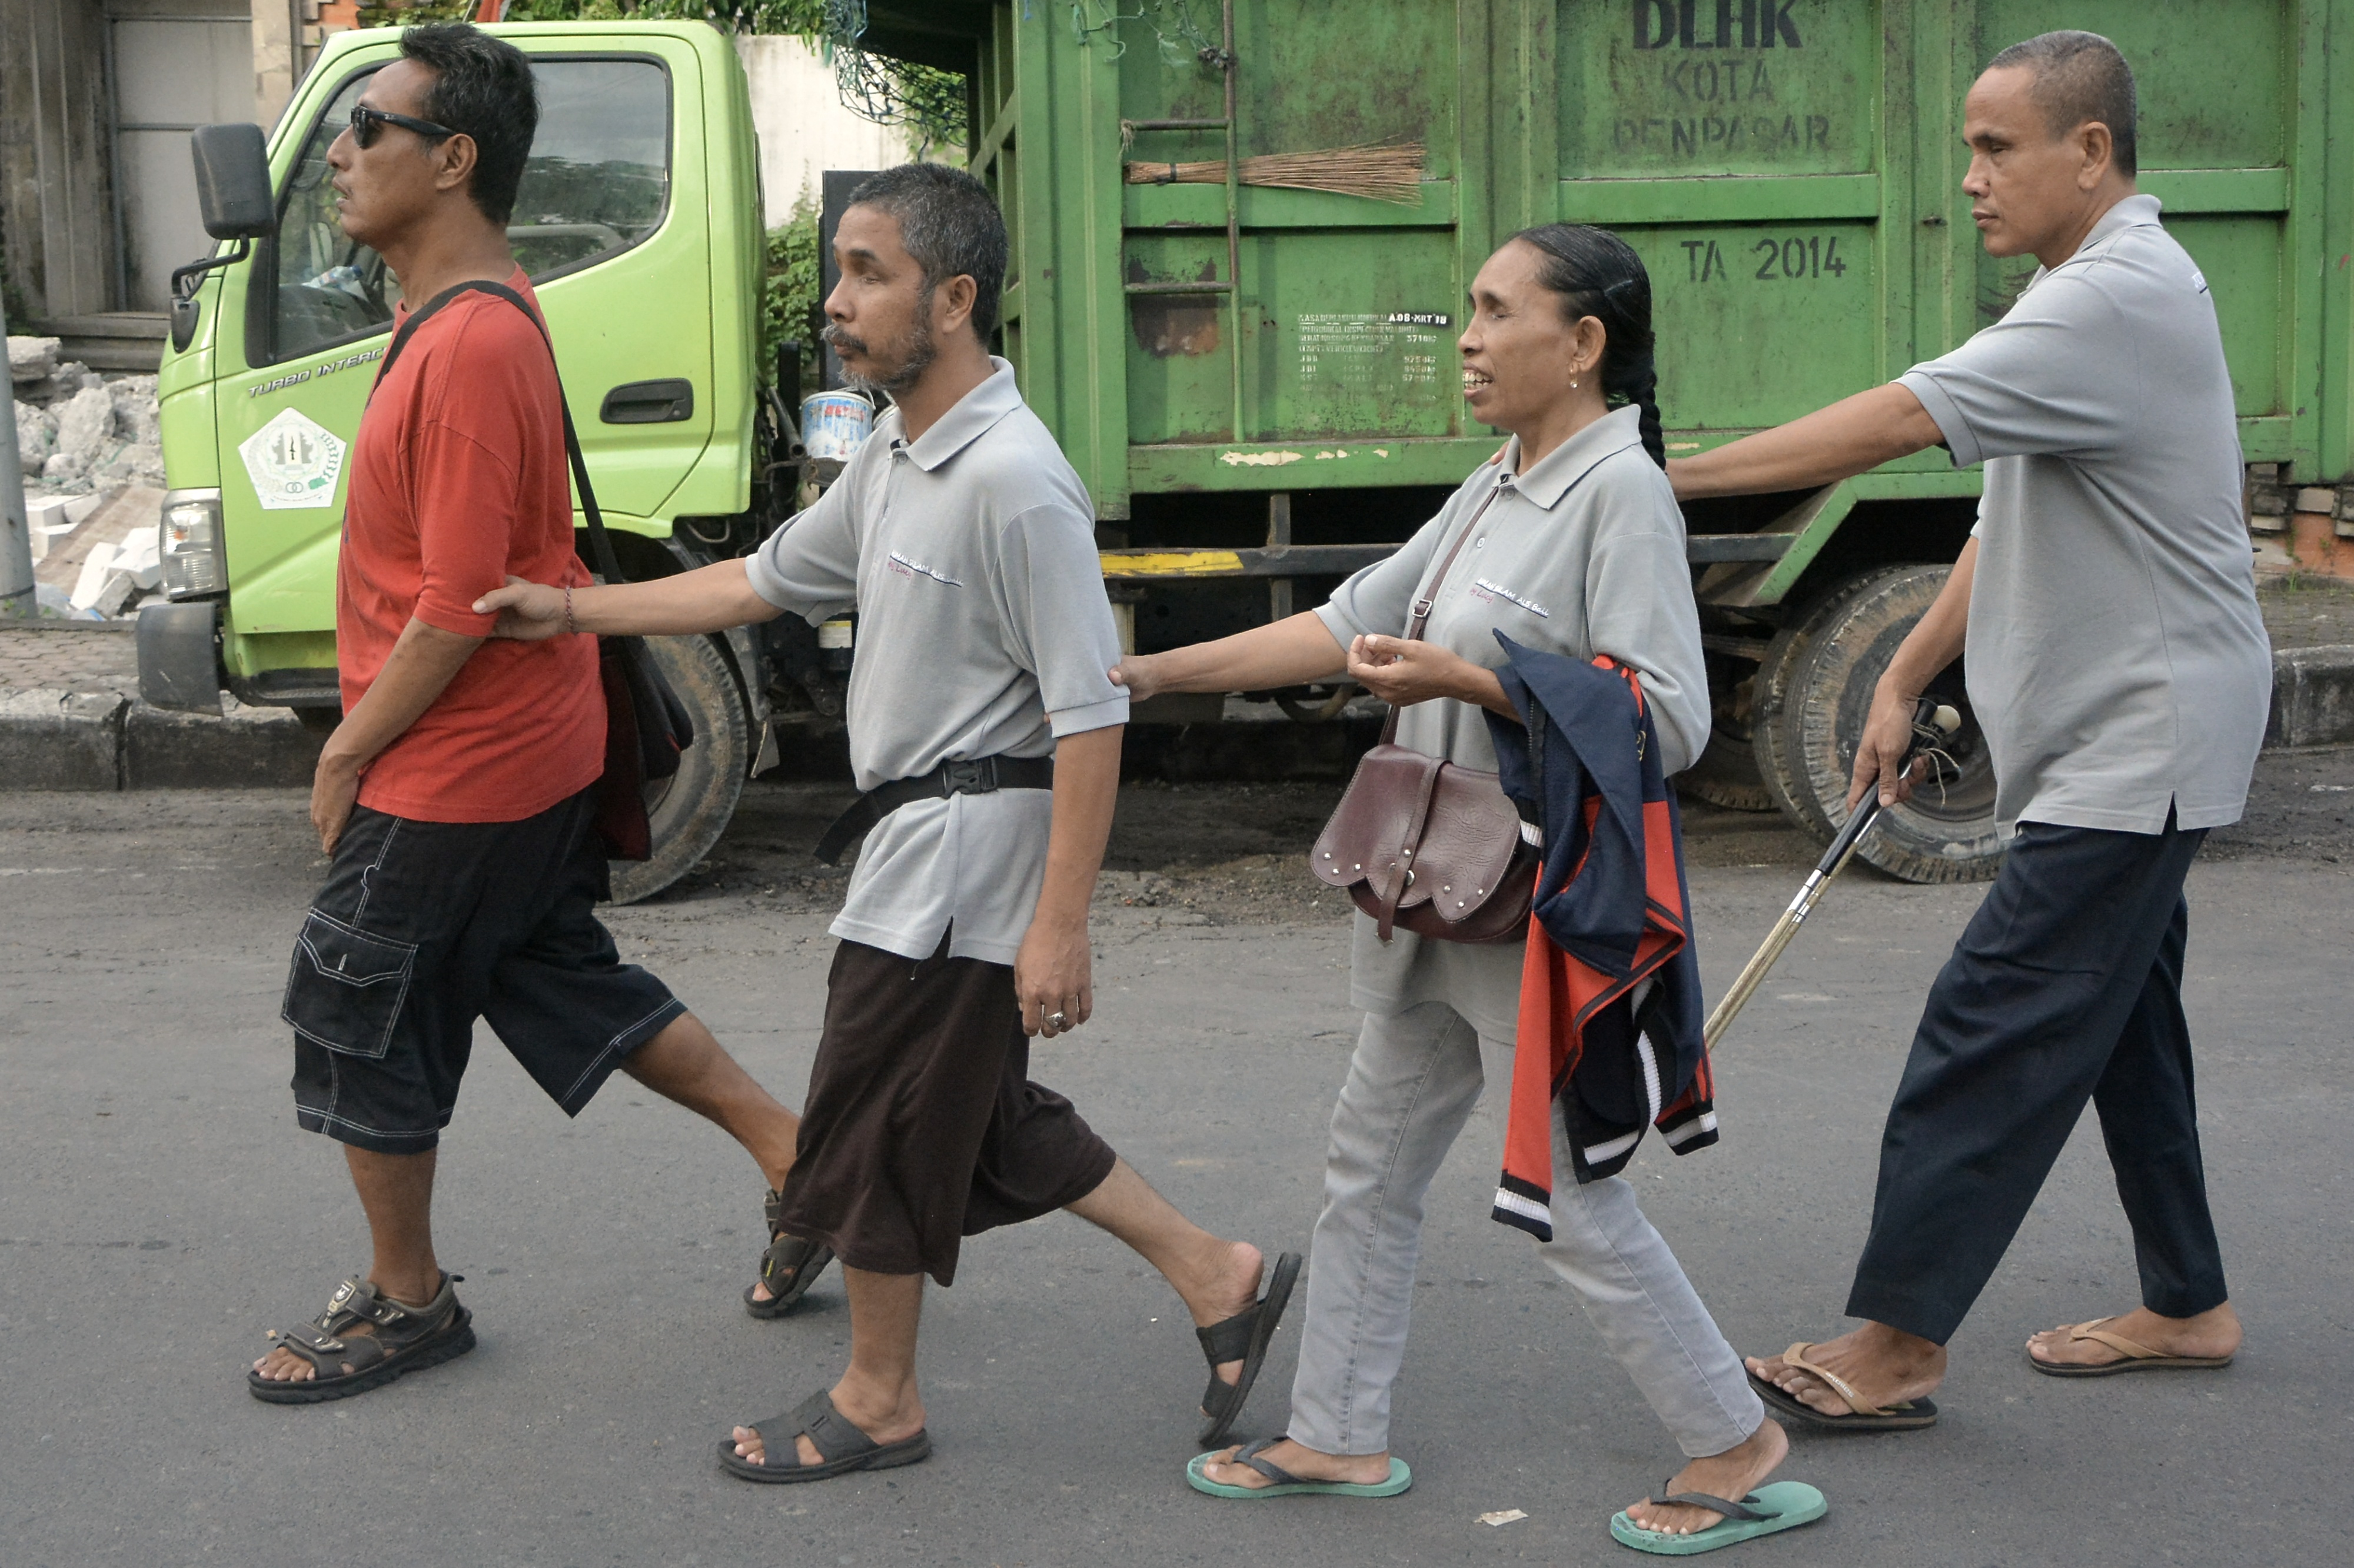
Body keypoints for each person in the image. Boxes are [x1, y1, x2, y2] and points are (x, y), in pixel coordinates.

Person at [474, 161, 1298, 1483]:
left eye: (868, 275)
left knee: (868, 1118)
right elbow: (758, 579)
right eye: (836, 274)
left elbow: (1089, 715)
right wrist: (572, 609)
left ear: (955, 297)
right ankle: (1220, 1272)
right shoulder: (902, 456)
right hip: (914, 848)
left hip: (965, 862)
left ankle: (880, 1397)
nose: (836, 304)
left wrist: (1059, 928)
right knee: (977, 1118)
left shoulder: (1015, 481)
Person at [1116, 226, 1813, 1549]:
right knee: (1365, 1167)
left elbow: (1666, 720)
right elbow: (1341, 620)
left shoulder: (1619, 493)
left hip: (1529, 909)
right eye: (1468, 311)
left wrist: (1468, 683)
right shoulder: (1498, 480)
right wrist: (1148, 677)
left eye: (1496, 312)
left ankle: (1735, 1437)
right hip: (1432, 890)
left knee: (1560, 1190)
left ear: (1583, 344)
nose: (1471, 337)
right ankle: (1334, 1430)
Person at [1668, 31, 2265, 1428]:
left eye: (1997, 148)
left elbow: (1887, 422)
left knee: (1987, 1022)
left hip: (2142, 740)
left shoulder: (2107, 300)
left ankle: (1894, 1343)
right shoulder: (2079, 299)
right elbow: (2006, 518)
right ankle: (2187, 1299)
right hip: (2117, 735)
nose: (1970, 178)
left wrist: (1645, 482)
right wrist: (1900, 676)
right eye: (1969, 147)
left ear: (2090, 154)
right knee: (2125, 1022)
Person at [250, 23, 823, 1404]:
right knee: (546, 968)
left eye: (367, 129)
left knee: (356, 1006)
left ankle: (409, 1304)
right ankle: (803, 1162)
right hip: (525, 747)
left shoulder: (468, 349)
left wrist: (346, 744)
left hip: (463, 765)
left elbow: (455, 602)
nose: (341, 152)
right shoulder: (459, 319)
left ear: (452, 162)